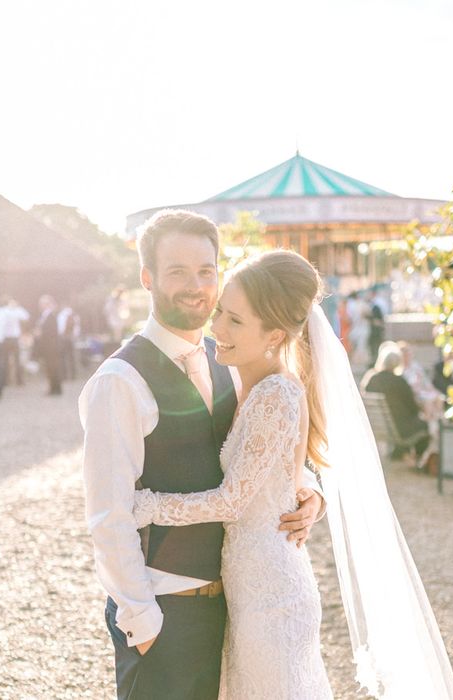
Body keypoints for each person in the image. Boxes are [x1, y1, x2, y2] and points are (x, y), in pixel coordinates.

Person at [133, 251, 453, 699]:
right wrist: (310, 493)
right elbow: (283, 469)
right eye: (220, 314)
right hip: (245, 584)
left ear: (274, 335)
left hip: (272, 593)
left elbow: (233, 500)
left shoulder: (276, 394)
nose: (217, 329)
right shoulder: (235, 377)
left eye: (234, 320)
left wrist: (144, 505)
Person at [79, 210, 325, 700]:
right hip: (164, 609)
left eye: (206, 271)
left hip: (234, 607)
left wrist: (309, 492)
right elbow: (108, 515)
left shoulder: (231, 359)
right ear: (146, 278)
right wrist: (143, 620)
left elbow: (269, 448)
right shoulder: (118, 382)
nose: (196, 287)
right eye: (177, 272)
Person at [361, 341, 431, 462]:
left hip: (376, 426)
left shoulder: (371, 378)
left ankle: (400, 453)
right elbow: (413, 408)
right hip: (399, 429)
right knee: (424, 426)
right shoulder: (399, 381)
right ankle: (416, 459)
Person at [36, 295, 62, 395]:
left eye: (42, 304)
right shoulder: (46, 316)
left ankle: (55, 389)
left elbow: (51, 332)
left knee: (52, 368)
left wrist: (40, 333)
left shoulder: (50, 316)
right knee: (50, 368)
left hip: (51, 346)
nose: (40, 306)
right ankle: (53, 388)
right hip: (49, 346)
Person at [3, 297, 29, 385]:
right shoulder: (18, 310)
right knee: (16, 360)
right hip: (13, 338)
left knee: (6, 360)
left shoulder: (4, 310)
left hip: (7, 338)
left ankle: (6, 380)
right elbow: (26, 317)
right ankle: (18, 380)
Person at [367, 288, 385, 367]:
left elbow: (379, 321)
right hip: (374, 332)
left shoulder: (376, 307)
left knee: (376, 348)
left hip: (376, 333)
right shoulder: (373, 306)